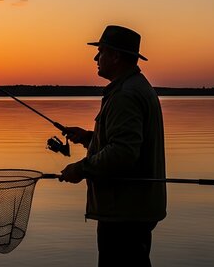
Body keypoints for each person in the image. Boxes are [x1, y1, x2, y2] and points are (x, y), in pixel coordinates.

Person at [59, 25, 167, 267]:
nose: (96, 58)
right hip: (133, 209)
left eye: (101, 51)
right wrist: (88, 138)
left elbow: (123, 153)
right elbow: (125, 143)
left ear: (116, 56)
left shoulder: (125, 95)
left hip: (125, 213)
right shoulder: (136, 87)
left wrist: (81, 168)